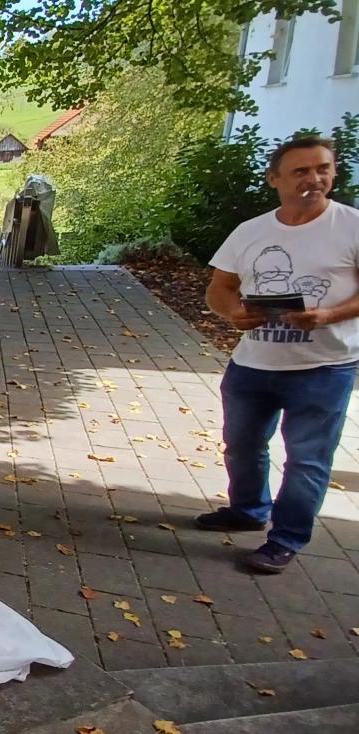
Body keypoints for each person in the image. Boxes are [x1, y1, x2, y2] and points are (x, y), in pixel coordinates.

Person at [199, 136, 359, 573]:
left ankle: (286, 538)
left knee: (306, 459)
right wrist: (234, 313)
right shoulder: (250, 232)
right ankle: (248, 509)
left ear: (333, 173)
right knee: (242, 445)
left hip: (324, 368)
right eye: (301, 171)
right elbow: (220, 288)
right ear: (275, 179)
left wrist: (330, 315)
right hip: (253, 364)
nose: (314, 178)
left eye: (322, 169)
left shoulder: (351, 226)